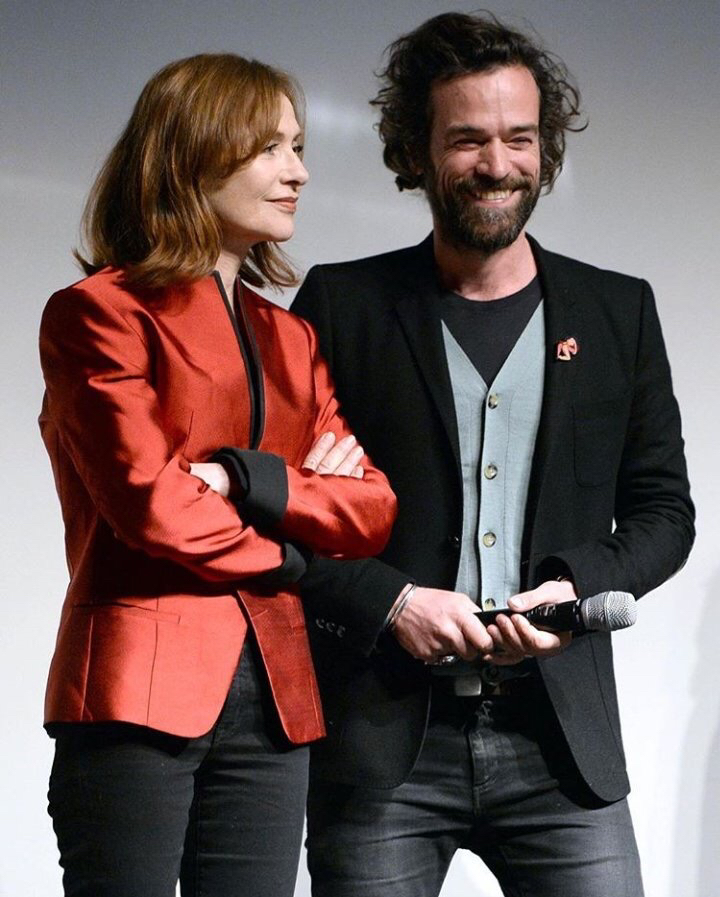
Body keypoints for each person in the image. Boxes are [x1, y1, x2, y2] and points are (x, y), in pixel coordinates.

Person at [291, 12, 694, 897]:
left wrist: (573, 589)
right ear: (417, 151)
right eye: (467, 139)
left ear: (546, 150)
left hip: (562, 745)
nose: (497, 163)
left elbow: (666, 513)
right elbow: (287, 516)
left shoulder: (617, 312)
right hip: (383, 744)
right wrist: (392, 602)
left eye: (519, 138)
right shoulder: (342, 307)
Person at [38, 53, 396, 897]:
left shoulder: (292, 338)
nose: (298, 172)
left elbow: (371, 506)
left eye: (298, 147)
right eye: (271, 148)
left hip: (275, 701)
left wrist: (244, 478)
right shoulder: (100, 313)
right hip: (136, 690)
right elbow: (152, 504)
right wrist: (293, 552)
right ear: (193, 155)